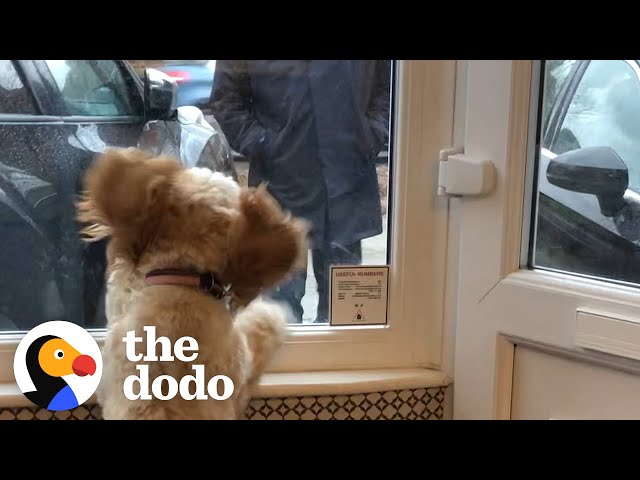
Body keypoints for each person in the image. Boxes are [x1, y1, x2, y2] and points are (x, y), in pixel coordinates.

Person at [209, 60, 391, 324]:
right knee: (281, 317)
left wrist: (371, 133)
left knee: (349, 317)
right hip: (281, 188)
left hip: (345, 184)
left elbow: (387, 85)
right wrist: (261, 143)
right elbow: (227, 99)